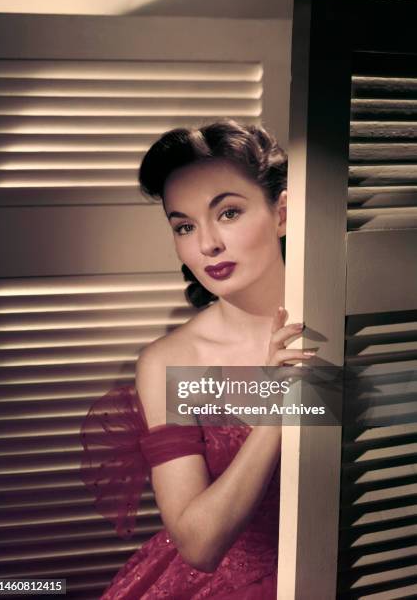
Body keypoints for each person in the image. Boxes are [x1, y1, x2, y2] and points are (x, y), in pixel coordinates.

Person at [80, 120, 315, 599]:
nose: (206, 244)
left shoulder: (356, 330)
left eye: (227, 213)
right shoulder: (171, 362)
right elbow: (199, 544)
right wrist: (275, 405)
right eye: (184, 226)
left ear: (283, 213)